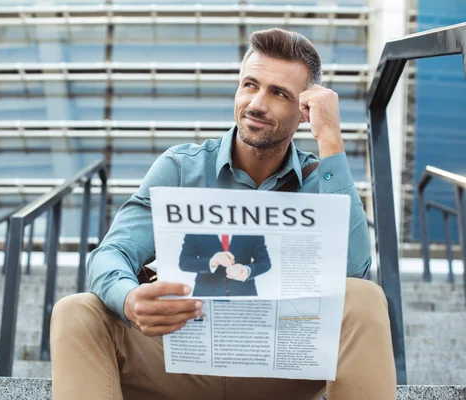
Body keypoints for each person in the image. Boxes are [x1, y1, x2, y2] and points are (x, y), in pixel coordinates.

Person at [50, 28, 396, 399]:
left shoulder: (321, 181)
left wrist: (330, 138)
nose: (257, 104)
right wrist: (130, 299)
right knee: (76, 310)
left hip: (280, 365)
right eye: (250, 85)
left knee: (365, 296)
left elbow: (354, 277)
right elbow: (111, 254)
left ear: (305, 112)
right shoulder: (182, 168)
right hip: (179, 357)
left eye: (279, 94)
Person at [179, 234, 271, 296]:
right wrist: (211, 262)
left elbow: (264, 262)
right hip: (206, 292)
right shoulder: (196, 229)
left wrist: (247, 270)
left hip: (244, 292)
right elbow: (185, 262)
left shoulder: (252, 229)